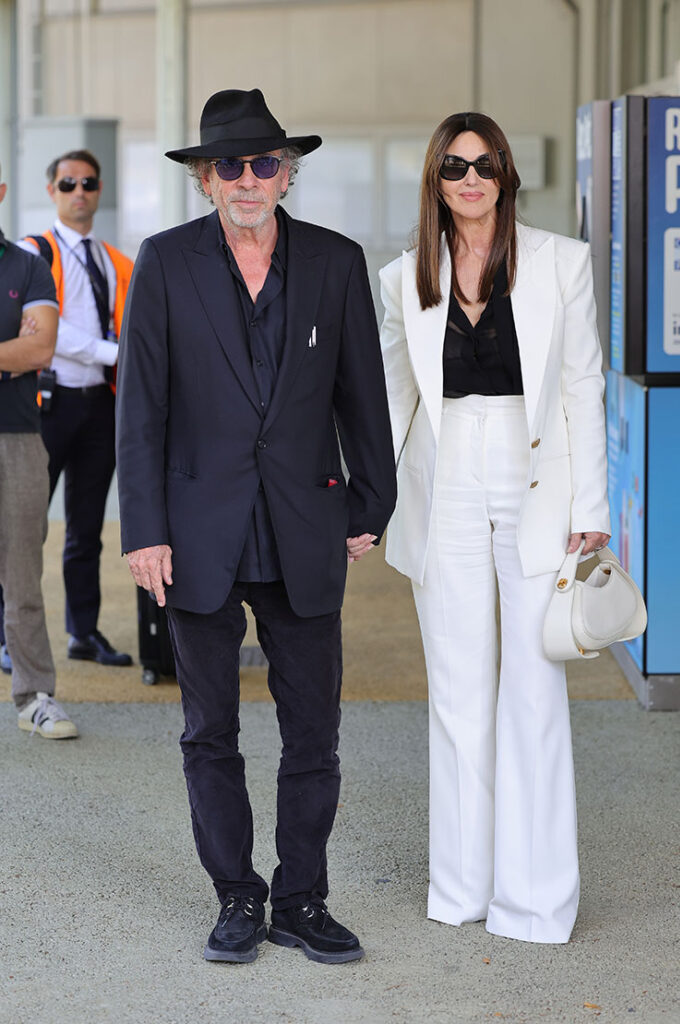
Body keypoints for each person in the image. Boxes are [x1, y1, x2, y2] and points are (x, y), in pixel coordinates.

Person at [116, 88, 396, 964]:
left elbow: (362, 396)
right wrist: (143, 529)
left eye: (264, 163)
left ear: (286, 175)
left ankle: (302, 900)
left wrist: (369, 502)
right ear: (205, 181)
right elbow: (143, 411)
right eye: (229, 165)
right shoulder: (163, 264)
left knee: (314, 729)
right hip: (196, 530)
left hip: (304, 525)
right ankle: (237, 893)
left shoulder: (335, 262)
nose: (247, 179)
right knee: (210, 730)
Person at [379, 112, 610, 944]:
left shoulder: (562, 262)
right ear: (434, 181)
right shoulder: (403, 275)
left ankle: (537, 901)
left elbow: (584, 386)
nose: (469, 179)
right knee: (456, 692)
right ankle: (462, 887)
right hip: (445, 484)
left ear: (506, 174)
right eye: (453, 166)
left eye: (483, 164)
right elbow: (393, 401)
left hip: (534, 473)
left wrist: (592, 509)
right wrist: (366, 503)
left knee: (532, 691)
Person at [0, 149, 134, 670]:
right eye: (68, 183)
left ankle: (84, 631)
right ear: (52, 191)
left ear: (99, 191)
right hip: (47, 405)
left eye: (89, 182)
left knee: (87, 528)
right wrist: (108, 351)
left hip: (100, 403)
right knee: (20, 528)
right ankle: (9, 637)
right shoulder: (36, 254)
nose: (80, 191)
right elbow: (51, 339)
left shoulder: (113, 259)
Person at [0, 161, 78, 738]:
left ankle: (34, 697)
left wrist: (21, 350)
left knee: (23, 574)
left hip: (18, 439)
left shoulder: (27, 267)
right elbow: (18, 349)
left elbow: (39, 349)